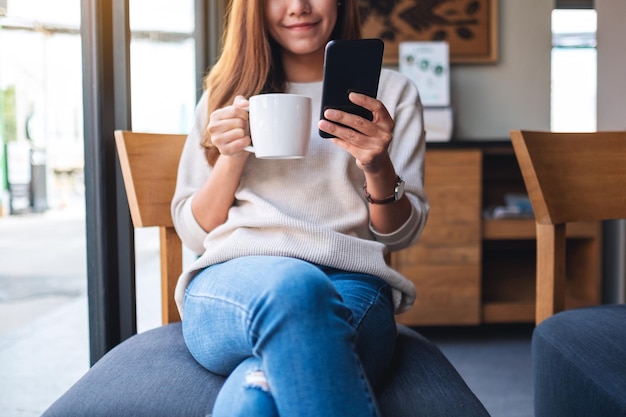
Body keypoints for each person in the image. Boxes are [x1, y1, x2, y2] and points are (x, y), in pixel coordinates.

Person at [171, 0, 432, 415]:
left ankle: (256, 382)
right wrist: (232, 155)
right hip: (231, 282)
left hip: (350, 282)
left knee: (256, 391)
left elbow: (399, 233)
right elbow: (195, 231)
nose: (299, 7)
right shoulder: (223, 95)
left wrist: (376, 164)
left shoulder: (391, 93)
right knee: (294, 286)